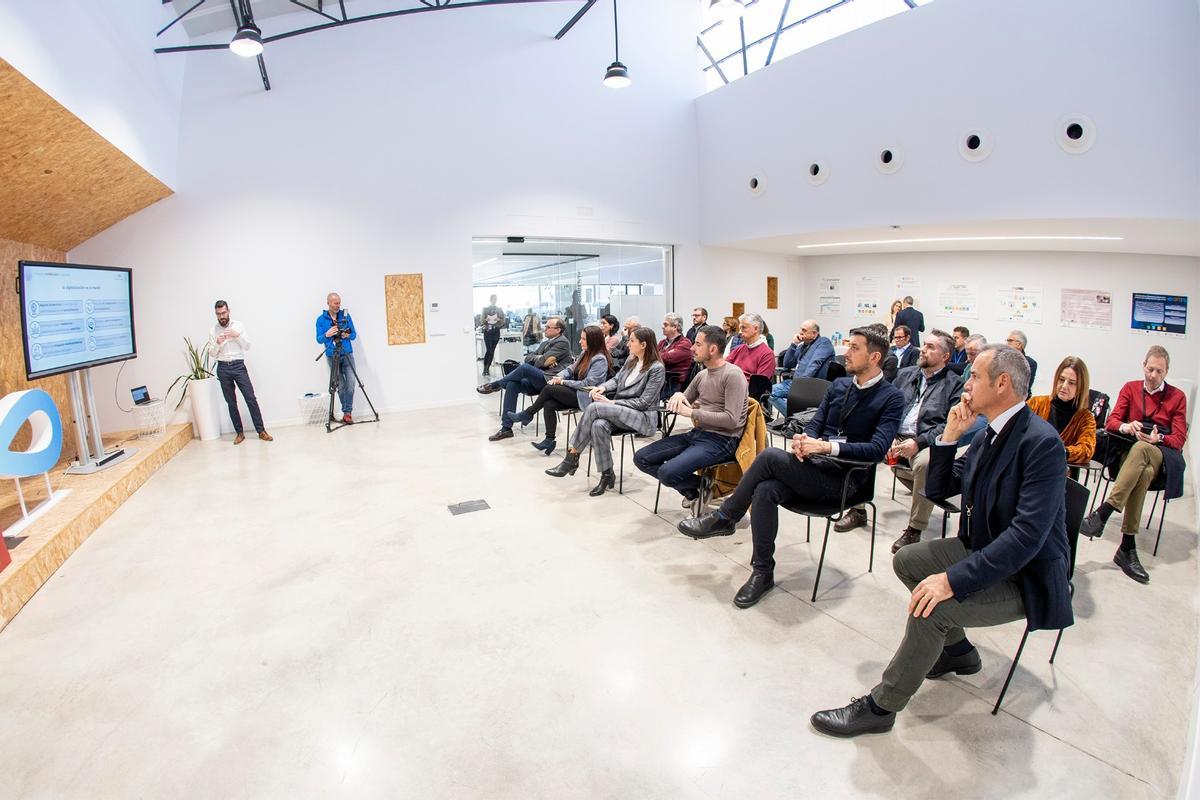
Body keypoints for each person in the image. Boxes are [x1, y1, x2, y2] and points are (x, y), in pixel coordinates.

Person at [810, 345, 1072, 738]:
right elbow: (941, 490)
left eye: (975, 377)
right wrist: (949, 436)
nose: (967, 385)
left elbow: (1026, 537)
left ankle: (883, 706)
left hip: (1024, 575)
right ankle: (959, 653)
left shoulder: (1041, 443)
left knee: (933, 608)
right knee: (908, 562)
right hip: (986, 549)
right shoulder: (991, 434)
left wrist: (951, 580)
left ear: (1002, 384)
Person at [678, 328, 904, 609]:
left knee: (771, 456)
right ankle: (763, 572)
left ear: (875, 356)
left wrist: (826, 447)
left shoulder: (891, 397)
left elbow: (878, 449)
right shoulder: (840, 386)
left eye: (854, 348)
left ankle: (726, 517)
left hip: (845, 479)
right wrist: (804, 439)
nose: (846, 352)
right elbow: (815, 423)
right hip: (813, 467)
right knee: (765, 489)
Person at [1080, 346, 1188, 583]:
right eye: (1150, 369)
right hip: (1128, 457)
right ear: (1143, 366)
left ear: (1166, 372)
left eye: (1159, 371)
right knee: (1143, 469)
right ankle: (1127, 546)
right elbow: (1112, 422)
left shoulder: (1177, 397)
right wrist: (1128, 427)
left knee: (1145, 452)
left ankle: (1103, 512)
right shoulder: (1130, 388)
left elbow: (1179, 439)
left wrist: (1158, 438)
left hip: (1160, 455)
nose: (1153, 375)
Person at [633, 325, 747, 507]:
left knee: (668, 473)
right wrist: (678, 396)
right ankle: (696, 489)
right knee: (641, 458)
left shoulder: (733, 375)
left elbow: (731, 420)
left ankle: (702, 488)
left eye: (698, 344)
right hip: (698, 434)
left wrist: (692, 412)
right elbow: (685, 398)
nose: (692, 348)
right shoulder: (702, 374)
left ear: (713, 349)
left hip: (722, 440)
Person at [546, 327, 666, 495]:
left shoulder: (656, 368)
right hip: (621, 412)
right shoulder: (632, 360)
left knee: (594, 407)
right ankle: (607, 474)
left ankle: (572, 456)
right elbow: (616, 380)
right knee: (599, 425)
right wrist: (601, 387)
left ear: (644, 344)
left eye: (631, 341)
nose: (628, 344)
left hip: (642, 416)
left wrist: (612, 402)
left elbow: (644, 402)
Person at [884, 333, 963, 552]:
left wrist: (918, 442)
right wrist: (887, 433)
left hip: (927, 441)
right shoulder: (905, 374)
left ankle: (915, 528)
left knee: (925, 465)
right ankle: (858, 509)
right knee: (865, 442)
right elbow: (889, 407)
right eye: (924, 345)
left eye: (930, 347)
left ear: (945, 356)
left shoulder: (955, 384)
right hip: (896, 435)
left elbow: (949, 424)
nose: (922, 349)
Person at [504, 326, 610, 454]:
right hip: (577, 393)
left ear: (593, 341)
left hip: (587, 396)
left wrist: (563, 382)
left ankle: (528, 413)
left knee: (549, 388)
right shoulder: (585, 354)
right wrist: (559, 376)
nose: (580, 341)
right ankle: (549, 440)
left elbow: (587, 384)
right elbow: (570, 369)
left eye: (583, 339)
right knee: (549, 404)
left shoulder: (600, 359)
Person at [477, 316, 572, 440]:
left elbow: (538, 362)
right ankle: (506, 429)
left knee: (526, 368)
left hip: (550, 381)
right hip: (538, 379)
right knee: (512, 384)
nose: (545, 329)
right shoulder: (545, 343)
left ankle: (496, 385)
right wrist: (541, 358)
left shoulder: (562, 342)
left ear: (558, 330)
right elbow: (529, 358)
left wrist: (540, 359)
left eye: (548, 327)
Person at [206, 300, 271, 445]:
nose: (222, 316)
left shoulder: (238, 325)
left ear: (228, 311)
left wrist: (236, 335)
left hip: (238, 365)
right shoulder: (213, 330)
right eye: (218, 314)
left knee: (250, 398)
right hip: (223, 367)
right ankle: (239, 433)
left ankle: (261, 431)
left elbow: (247, 345)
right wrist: (217, 343)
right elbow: (211, 353)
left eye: (223, 313)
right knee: (231, 402)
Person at [1027, 356, 1097, 469]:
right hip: (1027, 465)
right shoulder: (1036, 403)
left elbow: (1087, 450)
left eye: (1072, 383)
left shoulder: (1085, 418)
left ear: (1081, 386)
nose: (1064, 386)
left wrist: (1059, 451)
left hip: (1060, 473)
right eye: (1061, 379)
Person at [770, 320, 835, 415]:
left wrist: (800, 385)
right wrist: (794, 344)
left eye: (804, 330)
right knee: (769, 392)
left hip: (811, 385)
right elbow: (788, 364)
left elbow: (814, 364)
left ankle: (795, 419)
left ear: (814, 334)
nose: (800, 332)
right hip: (795, 383)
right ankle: (794, 418)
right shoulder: (802, 346)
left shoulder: (824, 342)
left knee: (772, 393)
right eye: (801, 329)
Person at [316, 292, 358, 424]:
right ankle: (347, 412)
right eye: (335, 303)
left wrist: (347, 335)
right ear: (328, 303)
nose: (338, 305)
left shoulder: (345, 316)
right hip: (332, 356)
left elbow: (354, 335)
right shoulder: (321, 320)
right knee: (340, 386)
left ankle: (347, 412)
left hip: (347, 354)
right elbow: (319, 339)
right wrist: (327, 334)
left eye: (339, 302)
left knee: (350, 384)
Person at [726, 313, 776, 381]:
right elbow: (724, 368)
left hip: (747, 390)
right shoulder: (738, 349)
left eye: (743, 327)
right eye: (740, 328)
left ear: (756, 329)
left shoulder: (767, 354)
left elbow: (758, 386)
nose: (740, 332)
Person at [658, 312, 694, 392]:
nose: (662, 327)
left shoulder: (685, 343)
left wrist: (656, 355)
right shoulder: (662, 342)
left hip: (674, 384)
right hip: (662, 380)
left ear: (675, 327)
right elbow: (653, 356)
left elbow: (666, 358)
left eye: (665, 325)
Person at [480, 294, 505, 376]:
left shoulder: (499, 309)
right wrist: (485, 320)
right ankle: (485, 369)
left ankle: (488, 368)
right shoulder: (485, 309)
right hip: (488, 331)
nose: (494, 300)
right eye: (493, 299)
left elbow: (503, 321)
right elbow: (481, 321)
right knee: (489, 350)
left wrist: (499, 319)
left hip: (496, 331)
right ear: (490, 300)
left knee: (492, 351)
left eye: (495, 299)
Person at [1006, 330, 1037, 395]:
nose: (1006, 344)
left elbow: (1024, 389)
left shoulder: (1029, 363)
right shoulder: (1002, 360)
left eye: (1010, 341)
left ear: (1019, 345)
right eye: (1007, 340)